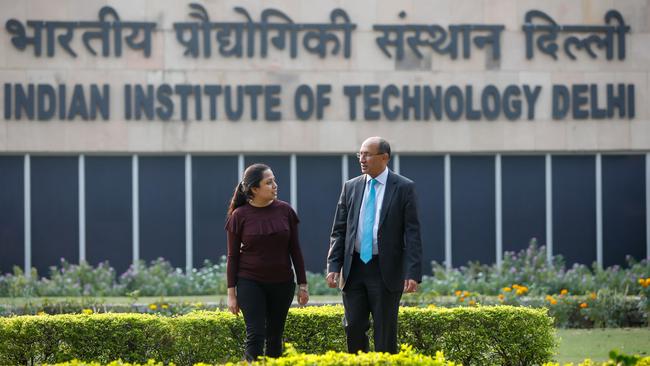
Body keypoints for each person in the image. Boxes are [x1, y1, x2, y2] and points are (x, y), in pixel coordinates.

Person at [326, 136, 422, 354]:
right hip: (354, 269)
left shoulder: (404, 187)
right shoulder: (350, 187)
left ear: (384, 157)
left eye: (367, 154)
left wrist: (412, 272)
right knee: (353, 329)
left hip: (385, 270)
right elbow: (339, 231)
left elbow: (413, 234)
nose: (362, 159)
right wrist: (334, 266)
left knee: (385, 333)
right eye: (360, 154)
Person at [225, 163, 309, 361]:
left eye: (274, 181)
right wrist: (232, 294)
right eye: (269, 182)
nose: (275, 185)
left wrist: (302, 285)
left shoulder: (286, 211)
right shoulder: (239, 216)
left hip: (282, 283)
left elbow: (295, 249)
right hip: (250, 281)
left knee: (274, 337)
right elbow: (232, 256)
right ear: (255, 189)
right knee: (255, 334)